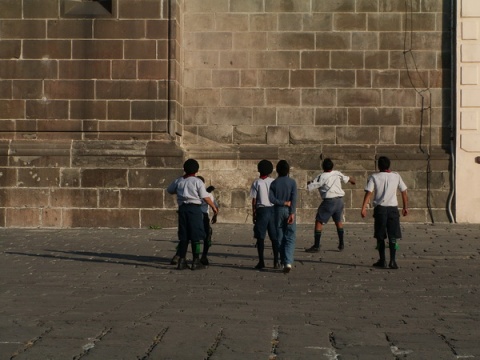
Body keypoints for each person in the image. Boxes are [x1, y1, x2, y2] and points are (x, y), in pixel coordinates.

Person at [167, 159, 218, 270]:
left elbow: (170, 190)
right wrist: (213, 207)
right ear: (196, 170)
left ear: (184, 169)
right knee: (195, 235)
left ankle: (182, 260)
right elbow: (205, 196)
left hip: (182, 209)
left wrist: (181, 192)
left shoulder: (178, 180)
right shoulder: (197, 181)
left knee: (184, 235)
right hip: (194, 210)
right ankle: (196, 261)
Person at [361, 156, 408, 269]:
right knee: (393, 236)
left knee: (380, 235)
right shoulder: (396, 176)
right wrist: (405, 207)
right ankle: (393, 260)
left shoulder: (374, 177)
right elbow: (404, 191)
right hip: (393, 208)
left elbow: (369, 192)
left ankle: (382, 260)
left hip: (380, 209)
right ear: (389, 165)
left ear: (379, 166)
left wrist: (363, 208)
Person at [305, 158, 355, 252]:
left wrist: (308, 183)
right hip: (339, 201)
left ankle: (316, 246)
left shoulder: (321, 176)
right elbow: (349, 179)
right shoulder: (337, 173)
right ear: (332, 166)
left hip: (329, 201)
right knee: (338, 221)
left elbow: (311, 186)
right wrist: (353, 181)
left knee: (319, 221)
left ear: (323, 167)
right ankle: (341, 244)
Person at [249, 160, 279, 270]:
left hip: (262, 210)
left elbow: (254, 200)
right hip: (273, 209)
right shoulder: (274, 181)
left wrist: (254, 213)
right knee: (274, 237)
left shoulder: (256, 182)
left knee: (260, 237)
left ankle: (261, 261)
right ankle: (276, 260)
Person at [269, 160, 297, 274]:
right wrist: (292, 212)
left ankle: (282, 259)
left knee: (280, 237)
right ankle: (288, 262)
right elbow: (294, 199)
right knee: (290, 236)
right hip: (289, 211)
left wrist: (282, 202)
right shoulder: (292, 182)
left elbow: (271, 199)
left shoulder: (274, 183)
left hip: (278, 210)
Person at [197, 176, 218, 266]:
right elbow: (215, 206)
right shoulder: (208, 194)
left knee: (191, 237)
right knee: (207, 235)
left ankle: (180, 255)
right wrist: (215, 215)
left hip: (192, 215)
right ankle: (204, 256)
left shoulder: (192, 192)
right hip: (203, 216)